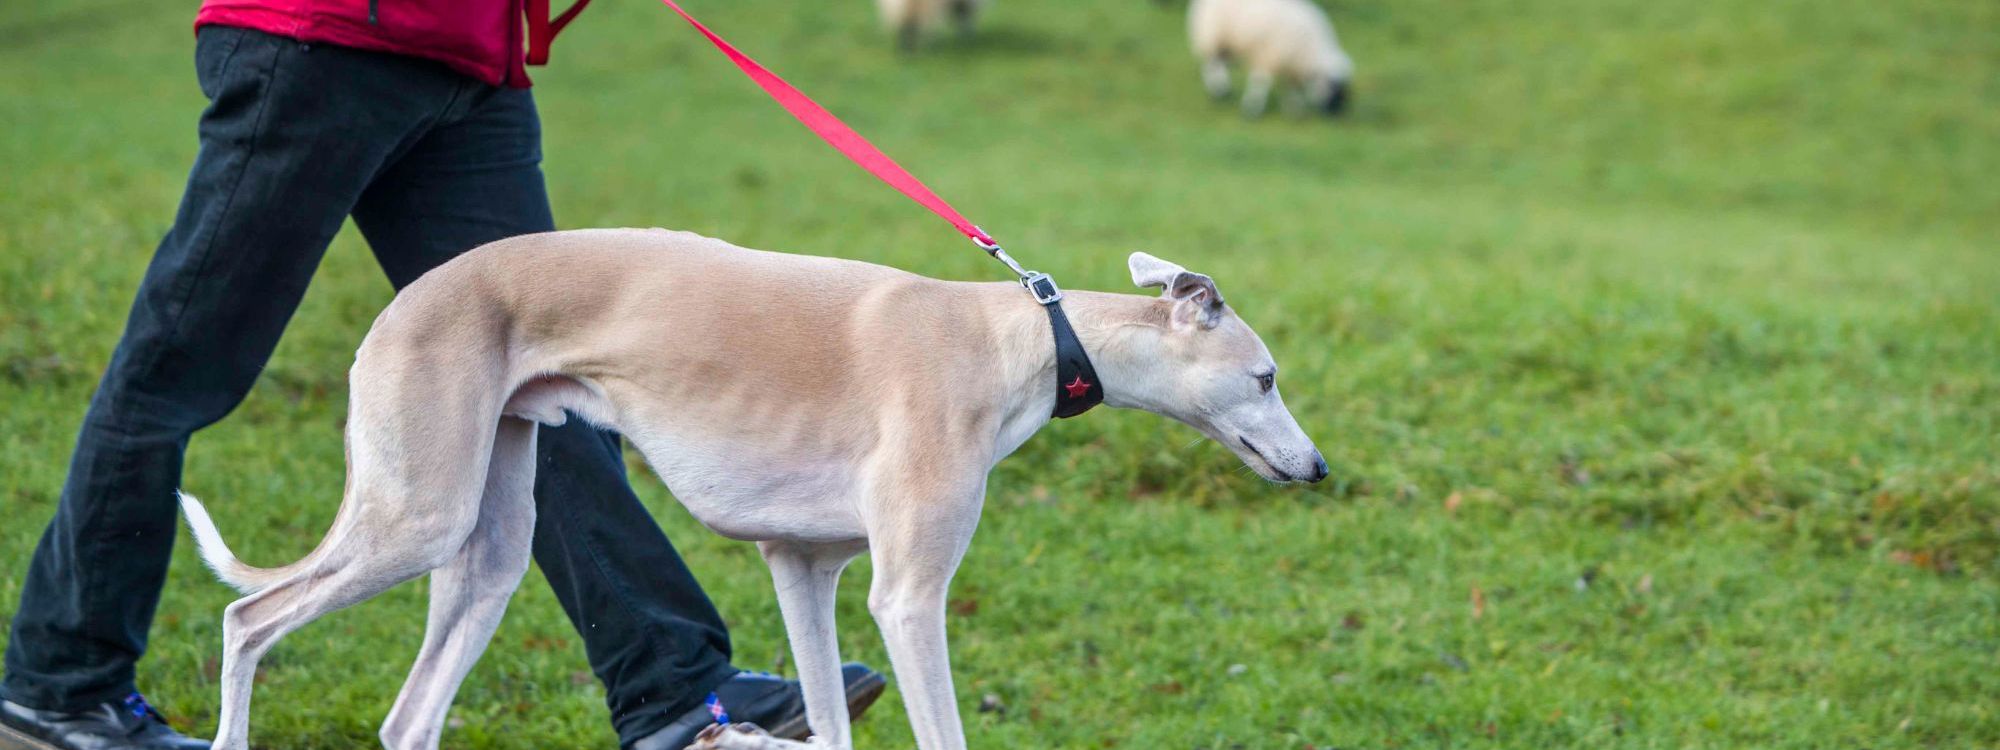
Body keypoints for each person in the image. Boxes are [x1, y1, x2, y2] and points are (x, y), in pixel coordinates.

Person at [0, 2, 884, 749]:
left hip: (472, 65)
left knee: (556, 371)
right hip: (323, 45)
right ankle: (61, 680)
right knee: (178, 370)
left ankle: (675, 687)